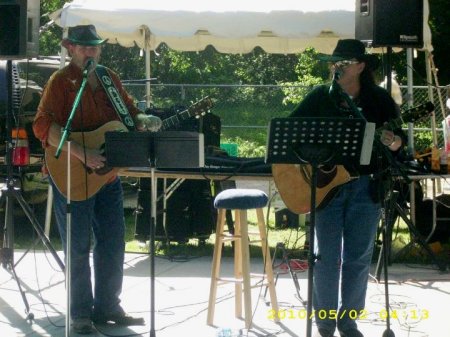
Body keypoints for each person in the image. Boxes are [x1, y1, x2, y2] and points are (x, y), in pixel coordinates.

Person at [33, 25, 162, 334]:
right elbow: (42, 126)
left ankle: (107, 306)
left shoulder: (108, 77)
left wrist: (143, 120)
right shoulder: (60, 82)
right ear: (70, 48)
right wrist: (81, 152)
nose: (91, 52)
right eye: (84, 47)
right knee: (78, 246)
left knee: (113, 242)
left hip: (107, 175)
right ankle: (80, 314)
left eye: (95, 47)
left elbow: (129, 114)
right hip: (69, 173)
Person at [289, 39, 404, 337]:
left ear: (361, 66)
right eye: (334, 62)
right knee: (325, 256)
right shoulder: (319, 97)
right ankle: (325, 321)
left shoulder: (379, 99)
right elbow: (290, 135)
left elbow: (400, 143)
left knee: (358, 256)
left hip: (367, 187)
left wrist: (393, 141)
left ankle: (348, 320)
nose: (336, 67)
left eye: (343, 62)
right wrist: (315, 159)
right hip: (326, 188)